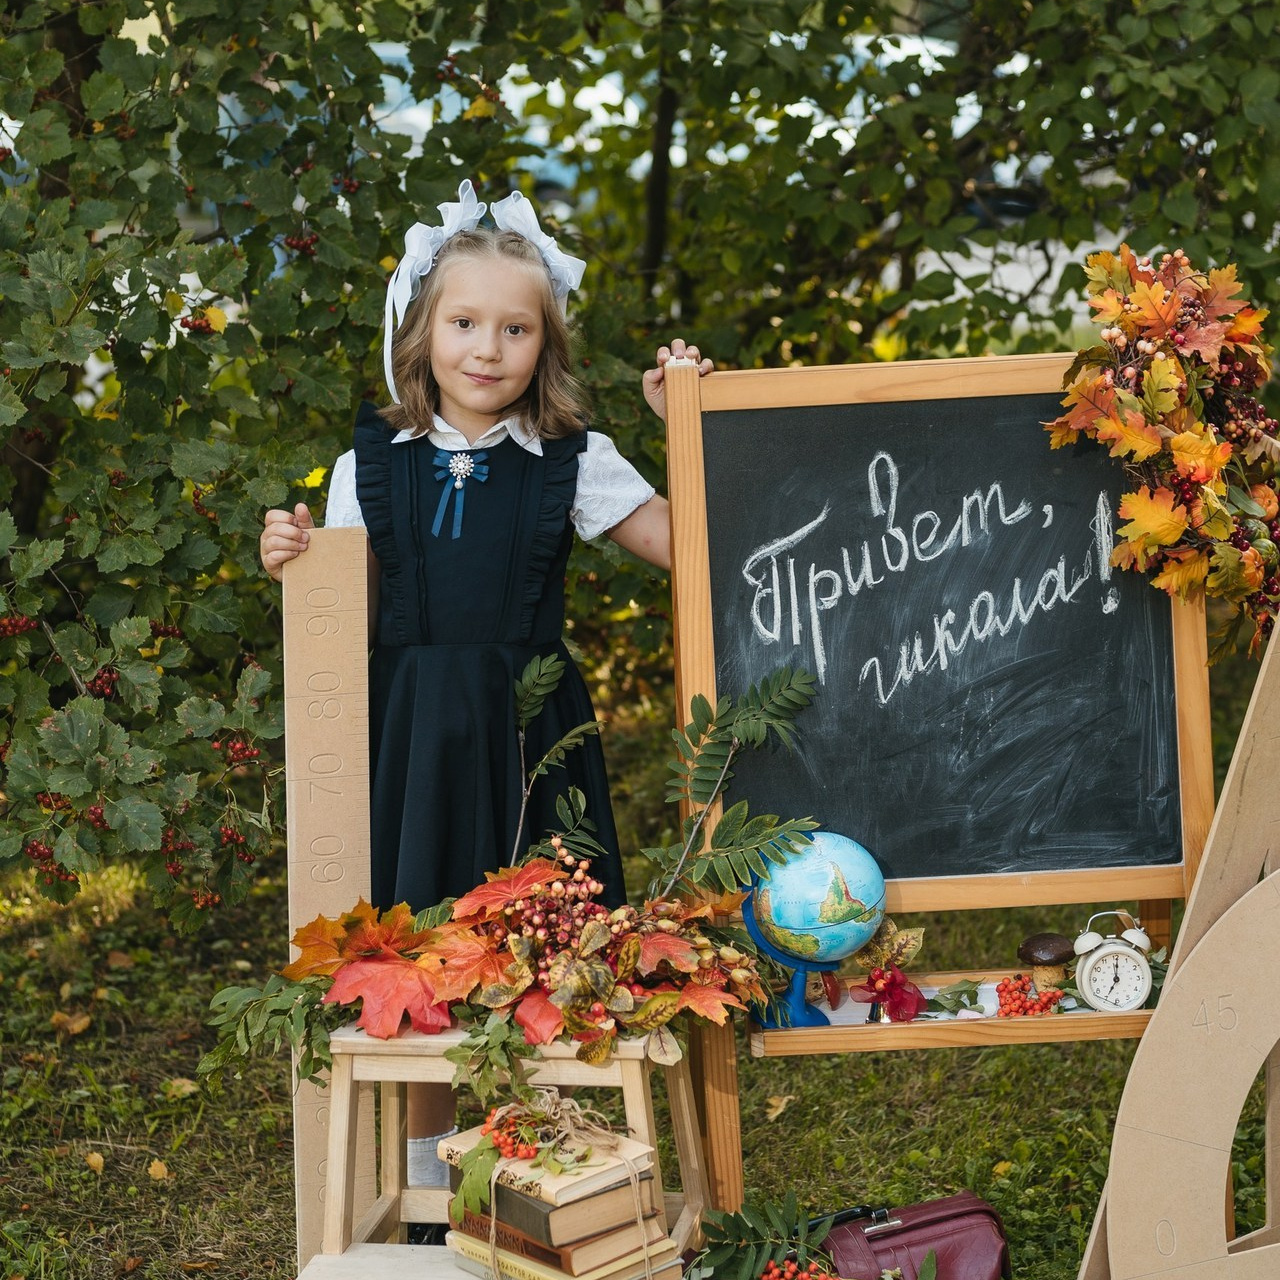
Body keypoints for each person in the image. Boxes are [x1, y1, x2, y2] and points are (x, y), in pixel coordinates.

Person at [258, 180, 711, 1211]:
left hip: (530, 731)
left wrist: (684, 424)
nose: (487, 348)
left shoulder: (571, 462)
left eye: (515, 328)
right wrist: (294, 558)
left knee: (547, 947)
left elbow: (689, 547)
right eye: (464, 322)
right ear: (420, 331)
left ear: (545, 344)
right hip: (411, 739)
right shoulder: (369, 466)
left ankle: (556, 1178)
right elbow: (346, 608)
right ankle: (433, 1191)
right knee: (416, 953)